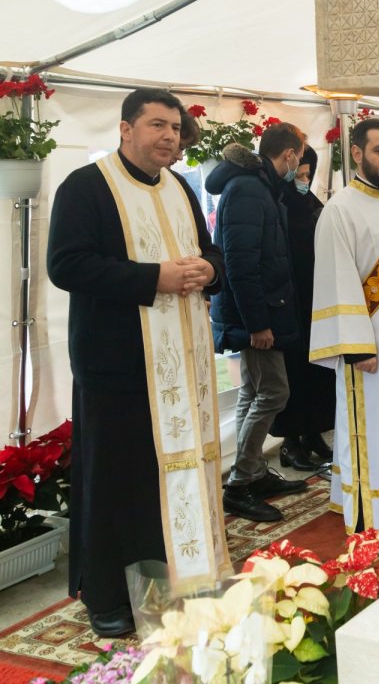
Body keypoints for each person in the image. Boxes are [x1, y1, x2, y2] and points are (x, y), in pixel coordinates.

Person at [47, 88, 231, 637]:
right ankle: (106, 595)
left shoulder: (179, 186)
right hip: (118, 366)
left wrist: (210, 272)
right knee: (114, 481)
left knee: (167, 478)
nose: (169, 136)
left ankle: (175, 578)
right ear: (126, 130)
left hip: (180, 366)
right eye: (157, 125)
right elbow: (67, 266)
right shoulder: (87, 186)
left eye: (174, 127)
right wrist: (155, 279)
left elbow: (210, 250)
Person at [207, 125, 309, 521]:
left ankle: (248, 473)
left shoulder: (257, 185)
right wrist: (258, 323)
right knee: (273, 393)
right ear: (287, 155)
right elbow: (240, 264)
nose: (299, 166)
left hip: (261, 309)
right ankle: (239, 484)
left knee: (254, 391)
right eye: (298, 157)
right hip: (256, 315)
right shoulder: (249, 189)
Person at [309, 118, 379, 530]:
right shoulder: (340, 209)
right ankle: (371, 512)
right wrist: (357, 345)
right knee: (372, 426)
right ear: (357, 154)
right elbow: (334, 279)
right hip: (371, 347)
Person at [269, 145, 336, 472]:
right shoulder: (278, 203)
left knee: (317, 375)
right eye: (301, 174)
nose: (305, 180)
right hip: (290, 302)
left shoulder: (311, 203)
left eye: (310, 174)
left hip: (315, 301)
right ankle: (290, 443)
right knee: (293, 376)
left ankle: (313, 435)